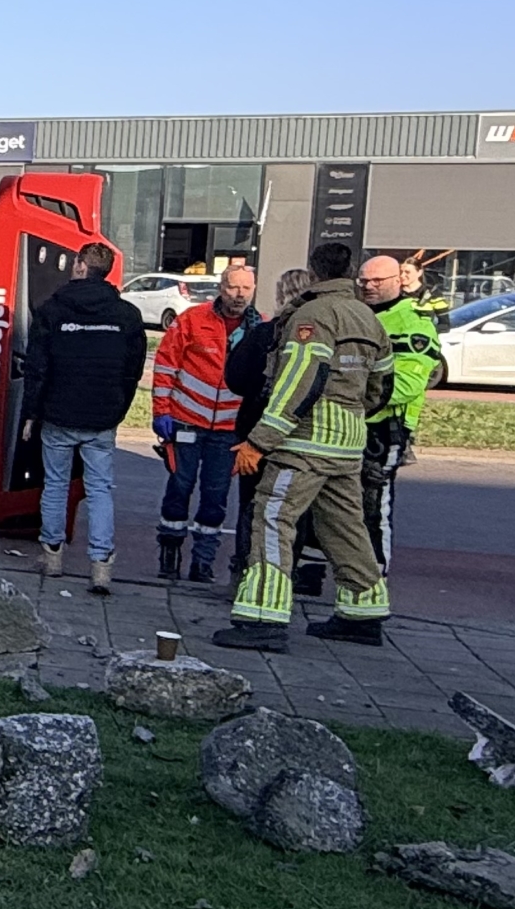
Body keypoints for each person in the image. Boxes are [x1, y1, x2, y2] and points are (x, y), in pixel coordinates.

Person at [215, 242, 392, 652]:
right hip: (349, 442)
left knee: (273, 517)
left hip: (304, 441)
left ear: (313, 273)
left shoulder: (311, 316)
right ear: (349, 272)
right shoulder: (369, 318)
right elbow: (382, 384)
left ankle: (264, 616)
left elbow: (299, 382)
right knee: (345, 524)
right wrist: (353, 414)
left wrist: (259, 442)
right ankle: (363, 611)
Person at [19, 241, 146, 594]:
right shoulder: (127, 316)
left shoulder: (53, 310)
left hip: (59, 413)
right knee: (101, 489)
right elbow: (132, 371)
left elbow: (37, 368)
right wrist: (118, 408)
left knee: (56, 485)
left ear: (78, 266)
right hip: (102, 415)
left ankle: (53, 556)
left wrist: (32, 412)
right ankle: (101, 566)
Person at [151, 264, 259, 581]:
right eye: (233, 288)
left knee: (216, 496)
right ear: (221, 287)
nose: (239, 296)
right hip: (186, 421)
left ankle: (203, 563)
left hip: (229, 429)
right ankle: (169, 553)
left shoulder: (260, 329)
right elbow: (166, 366)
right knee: (179, 487)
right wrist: (161, 411)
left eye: (246, 289)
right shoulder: (193, 320)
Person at [355, 255, 442, 568]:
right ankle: (313, 574)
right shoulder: (355, 313)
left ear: (397, 281)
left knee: (372, 503)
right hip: (348, 421)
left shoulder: (413, 322)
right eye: (364, 281)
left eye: (377, 281)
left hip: (384, 427)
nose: (369, 287)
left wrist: (353, 394)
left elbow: (407, 384)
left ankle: (374, 576)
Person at [224, 268, 312, 577]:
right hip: (302, 434)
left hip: (256, 431)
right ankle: (284, 574)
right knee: (293, 510)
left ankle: (247, 572)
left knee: (252, 503)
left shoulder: (264, 333)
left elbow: (234, 378)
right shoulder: (321, 334)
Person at [399, 258, 452, 323]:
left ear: (419, 272)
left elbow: (445, 325)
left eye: (407, 272)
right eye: (400, 272)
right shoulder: (394, 293)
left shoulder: (433, 293)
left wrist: (426, 331)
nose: (402, 275)